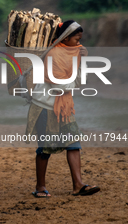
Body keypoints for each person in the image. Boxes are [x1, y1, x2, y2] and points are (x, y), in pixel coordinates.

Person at [26, 20, 100, 197]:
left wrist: (83, 59)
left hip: (64, 108)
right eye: (76, 39)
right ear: (65, 38)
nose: (78, 43)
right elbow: (61, 85)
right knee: (45, 149)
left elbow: (81, 81)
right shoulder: (52, 55)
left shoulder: (73, 54)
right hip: (45, 106)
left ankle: (78, 185)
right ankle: (40, 187)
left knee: (74, 145)